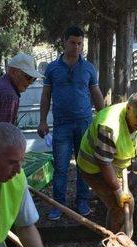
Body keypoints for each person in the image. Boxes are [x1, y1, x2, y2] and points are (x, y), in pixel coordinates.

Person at [37, 26, 105, 219]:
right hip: (62, 125)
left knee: (84, 165)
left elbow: (96, 94)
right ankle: (58, 205)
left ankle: (82, 201)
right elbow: (46, 96)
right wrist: (43, 121)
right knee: (60, 167)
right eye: (73, 43)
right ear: (64, 42)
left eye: (79, 43)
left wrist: (104, 118)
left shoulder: (89, 68)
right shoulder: (52, 68)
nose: (76, 47)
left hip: (85, 123)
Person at [77, 91, 137, 235]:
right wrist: (118, 190)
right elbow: (104, 163)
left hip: (112, 164)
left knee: (125, 204)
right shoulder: (109, 126)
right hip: (94, 167)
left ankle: (119, 241)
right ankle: (115, 244)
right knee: (122, 205)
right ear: (129, 109)